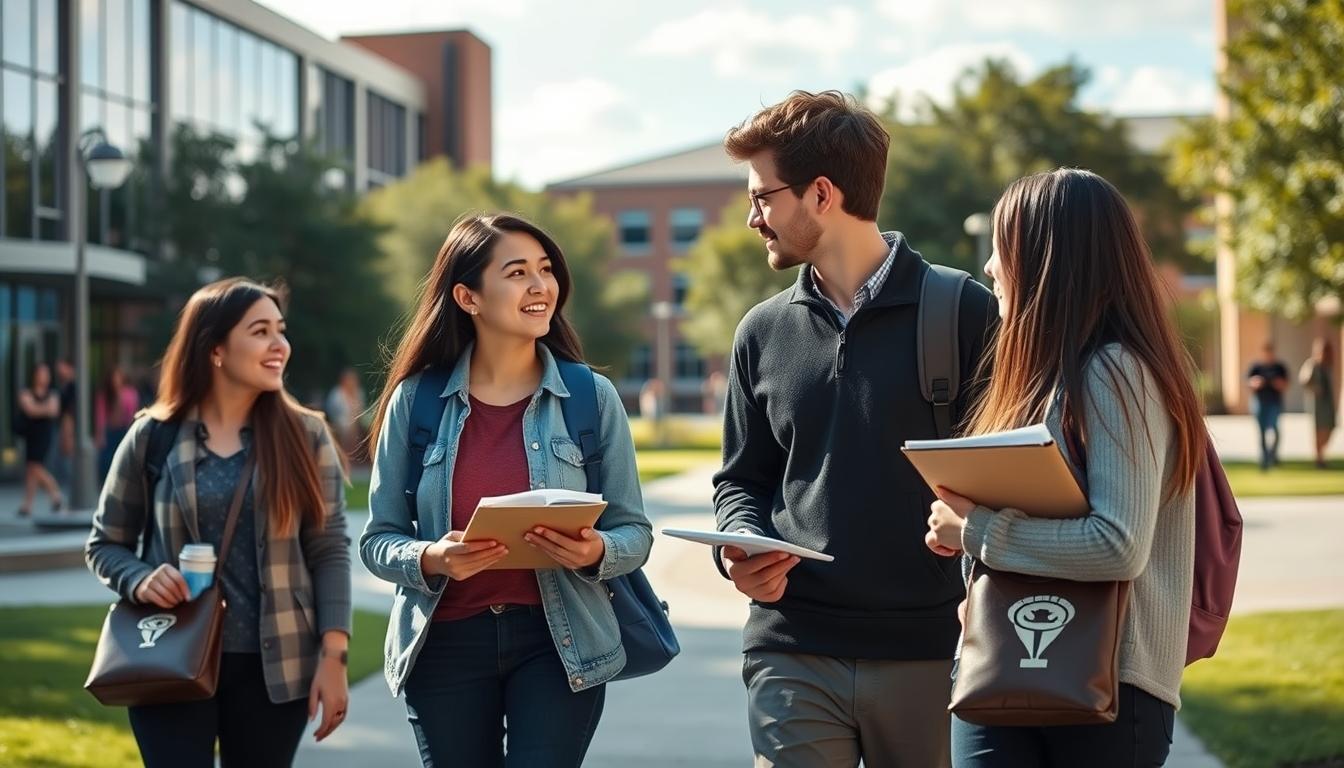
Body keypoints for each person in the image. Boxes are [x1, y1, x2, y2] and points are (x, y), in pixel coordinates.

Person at [712, 90, 997, 768]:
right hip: (791, 647)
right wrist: (740, 547)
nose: (754, 218)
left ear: (820, 194)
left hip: (932, 651)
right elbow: (739, 480)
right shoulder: (761, 330)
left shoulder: (963, 312)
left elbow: (1016, 471)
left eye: (763, 197)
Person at [925, 169, 1204, 767]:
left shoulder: (1117, 372)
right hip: (1005, 664)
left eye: (1005, 248)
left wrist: (976, 530)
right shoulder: (1040, 379)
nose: (992, 268)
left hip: (1107, 687)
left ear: (1047, 259)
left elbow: (1119, 544)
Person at [360, 214, 652, 767]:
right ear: (468, 296)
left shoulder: (592, 398)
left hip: (560, 643)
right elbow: (378, 540)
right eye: (517, 273)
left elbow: (634, 531)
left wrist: (596, 553)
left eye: (545, 270)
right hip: (444, 645)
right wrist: (431, 557)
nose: (540, 286)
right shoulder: (415, 402)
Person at [85, 278, 351, 768]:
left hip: (277, 668)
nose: (279, 345)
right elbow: (104, 544)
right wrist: (141, 579)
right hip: (168, 656)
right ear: (215, 350)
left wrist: (334, 658)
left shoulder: (306, 435)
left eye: (281, 330)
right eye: (260, 331)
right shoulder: (153, 436)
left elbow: (329, 548)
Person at [16, 363, 64, 517]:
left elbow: (53, 411)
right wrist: (44, 409)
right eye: (41, 373)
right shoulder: (26, 392)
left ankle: (56, 493)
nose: (44, 376)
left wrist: (38, 409)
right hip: (31, 435)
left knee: (34, 466)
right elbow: (30, 410)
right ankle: (27, 505)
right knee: (31, 469)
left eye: (46, 373)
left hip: (44, 435)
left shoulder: (53, 393)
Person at [94, 366, 141, 484]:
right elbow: (101, 416)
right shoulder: (104, 394)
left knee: (122, 459)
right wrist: (100, 435)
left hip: (123, 430)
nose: (116, 380)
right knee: (106, 461)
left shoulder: (130, 393)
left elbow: (132, 413)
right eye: (114, 377)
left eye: (118, 377)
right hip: (110, 431)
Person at [1247, 341, 1289, 470]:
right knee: (1262, 431)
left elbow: (1286, 384)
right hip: (1259, 402)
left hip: (1274, 403)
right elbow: (1249, 383)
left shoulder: (1280, 367)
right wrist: (1255, 383)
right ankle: (1264, 459)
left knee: (1275, 429)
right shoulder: (1256, 367)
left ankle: (1273, 455)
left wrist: (1278, 383)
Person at [1299, 338, 1336, 468]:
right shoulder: (1312, 364)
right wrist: (1315, 388)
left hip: (1328, 403)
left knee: (1330, 427)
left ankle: (1321, 455)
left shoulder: (1327, 366)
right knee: (1318, 430)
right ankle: (1319, 458)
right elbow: (1304, 380)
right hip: (1317, 404)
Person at [324, 368, 367, 460]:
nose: (352, 382)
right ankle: (345, 455)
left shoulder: (359, 392)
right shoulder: (336, 394)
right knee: (346, 427)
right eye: (350, 379)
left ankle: (354, 455)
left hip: (355, 422)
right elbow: (333, 414)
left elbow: (360, 411)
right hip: (337, 423)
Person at [55, 359, 77, 486]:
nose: (59, 371)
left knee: (68, 454)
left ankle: (71, 482)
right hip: (63, 425)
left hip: (68, 425)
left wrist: (67, 428)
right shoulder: (64, 385)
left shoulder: (73, 387)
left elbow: (70, 411)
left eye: (62, 367)